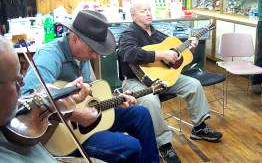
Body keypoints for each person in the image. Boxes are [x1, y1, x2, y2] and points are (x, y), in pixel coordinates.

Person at [21, 10, 159, 163]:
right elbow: (29, 97)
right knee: (130, 146)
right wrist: (75, 114)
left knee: (141, 114)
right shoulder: (49, 55)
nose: (95, 56)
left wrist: (117, 100)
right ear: (75, 38)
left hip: (88, 122)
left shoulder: (83, 57)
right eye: (92, 49)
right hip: (60, 134)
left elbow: (93, 96)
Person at [118, 0, 223, 163]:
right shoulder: (128, 34)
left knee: (194, 84)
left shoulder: (158, 34)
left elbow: (177, 58)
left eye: (149, 10)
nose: (148, 13)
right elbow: (127, 54)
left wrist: (189, 47)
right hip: (135, 81)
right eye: (143, 11)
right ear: (133, 16)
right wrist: (160, 55)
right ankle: (163, 144)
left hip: (163, 78)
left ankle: (199, 128)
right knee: (150, 101)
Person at [0, 35, 88, 162]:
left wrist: (61, 99)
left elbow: (35, 143)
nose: (23, 84)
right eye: (15, 81)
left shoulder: (9, 123)